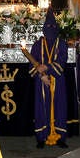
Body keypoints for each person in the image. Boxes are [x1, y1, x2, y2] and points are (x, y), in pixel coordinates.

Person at [30, 9, 69, 148]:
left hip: (57, 81)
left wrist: (46, 68)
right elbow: (32, 62)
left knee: (59, 107)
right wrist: (41, 76)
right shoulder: (37, 44)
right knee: (41, 107)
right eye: (48, 27)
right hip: (41, 82)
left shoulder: (62, 44)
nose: (50, 29)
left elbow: (62, 61)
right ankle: (41, 136)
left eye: (53, 27)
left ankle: (60, 136)